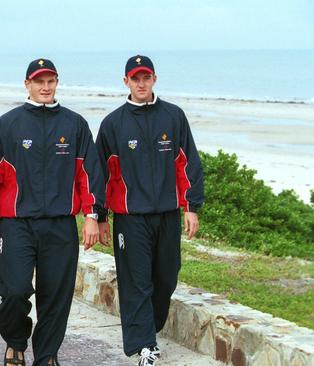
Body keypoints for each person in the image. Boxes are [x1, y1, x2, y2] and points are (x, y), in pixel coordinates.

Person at [0, 59, 101, 366]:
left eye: (50, 81)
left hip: (60, 225)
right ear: (27, 84)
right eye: (39, 81)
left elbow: (89, 174)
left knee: (56, 296)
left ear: (57, 83)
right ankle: (16, 340)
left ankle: (46, 355)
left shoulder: (75, 125)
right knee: (15, 290)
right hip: (17, 225)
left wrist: (92, 216)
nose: (45, 87)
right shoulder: (8, 124)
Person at [93, 55, 204, 366]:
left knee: (166, 278)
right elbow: (101, 171)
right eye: (135, 78)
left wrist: (191, 207)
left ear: (154, 79)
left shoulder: (173, 116)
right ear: (125, 82)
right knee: (136, 280)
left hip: (167, 214)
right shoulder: (113, 124)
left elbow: (188, 163)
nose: (141, 83)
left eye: (146, 77)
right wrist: (99, 216)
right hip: (130, 218)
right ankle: (144, 346)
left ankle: (148, 329)